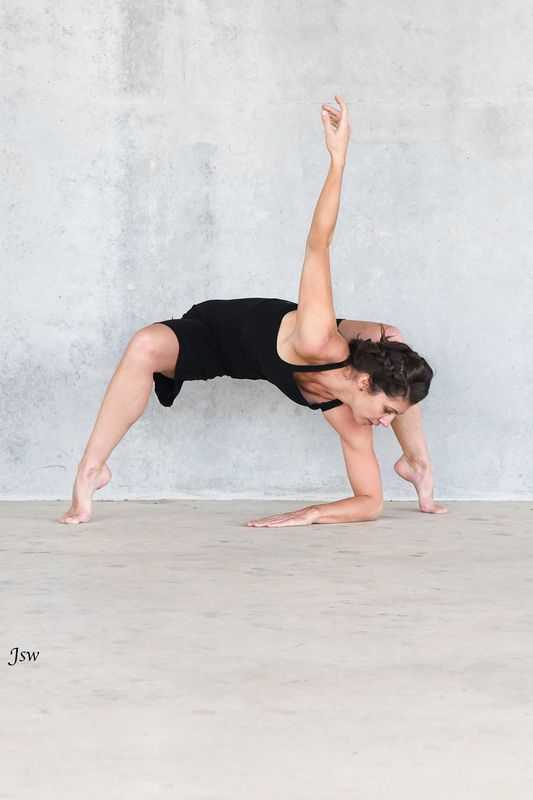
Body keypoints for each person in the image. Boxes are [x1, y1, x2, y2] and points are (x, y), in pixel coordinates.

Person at [58, 94, 447, 526]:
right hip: (218, 333)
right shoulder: (318, 338)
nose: (386, 423)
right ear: (363, 380)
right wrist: (338, 161)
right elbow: (318, 245)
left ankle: (417, 463)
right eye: (388, 411)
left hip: (283, 362)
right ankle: (91, 470)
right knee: (145, 344)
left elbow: (370, 502)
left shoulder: (351, 415)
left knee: (393, 339)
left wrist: (310, 514)